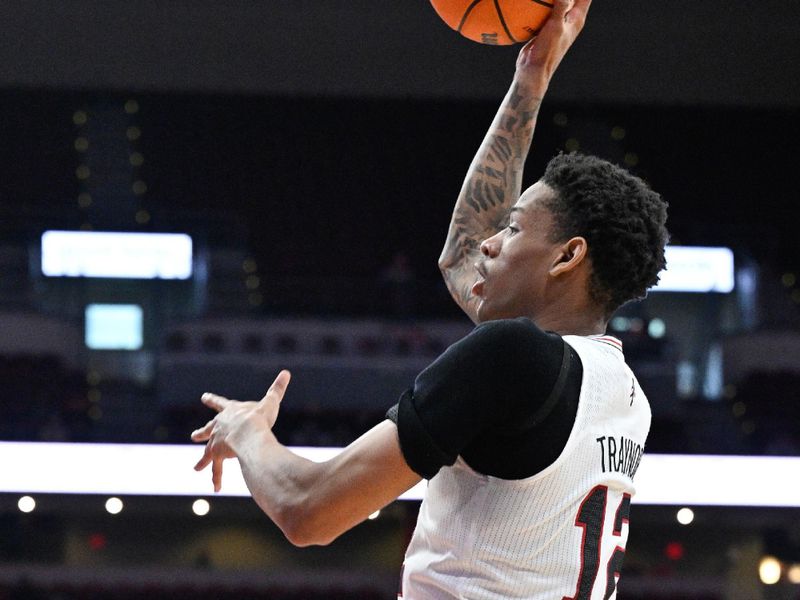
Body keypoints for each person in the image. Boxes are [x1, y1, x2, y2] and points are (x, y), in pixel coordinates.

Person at [191, 0, 669, 597]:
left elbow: (308, 511)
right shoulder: (620, 392)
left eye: (514, 229)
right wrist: (531, 78)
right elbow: (464, 250)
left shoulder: (514, 357)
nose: (490, 245)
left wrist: (246, 430)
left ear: (568, 257)